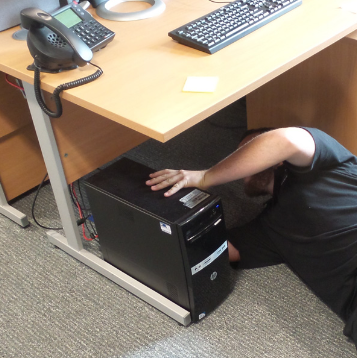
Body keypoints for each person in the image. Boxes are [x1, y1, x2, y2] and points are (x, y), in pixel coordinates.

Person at [145, 126, 357, 348]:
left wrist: (206, 176)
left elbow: (285, 139)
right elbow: (213, 251)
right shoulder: (267, 228)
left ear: (277, 160)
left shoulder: (331, 166)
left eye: (247, 152)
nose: (240, 168)